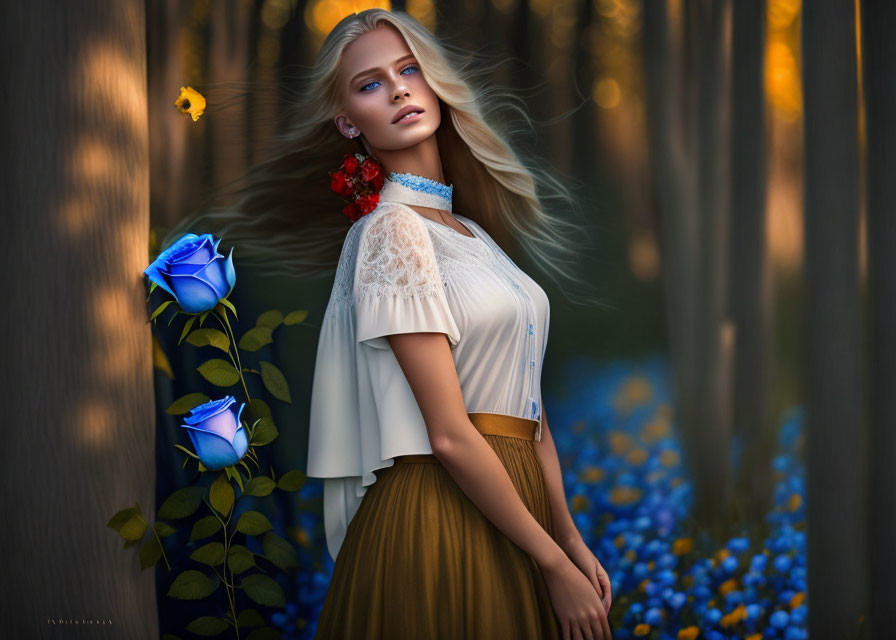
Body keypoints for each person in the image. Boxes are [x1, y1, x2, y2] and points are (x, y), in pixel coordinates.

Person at [303, 9, 613, 640]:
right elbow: (447, 434)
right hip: (441, 507)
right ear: (346, 120)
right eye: (370, 84)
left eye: (410, 68)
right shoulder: (393, 232)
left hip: (516, 501)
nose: (398, 89)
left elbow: (532, 414)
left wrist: (568, 538)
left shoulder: (471, 235)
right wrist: (552, 562)